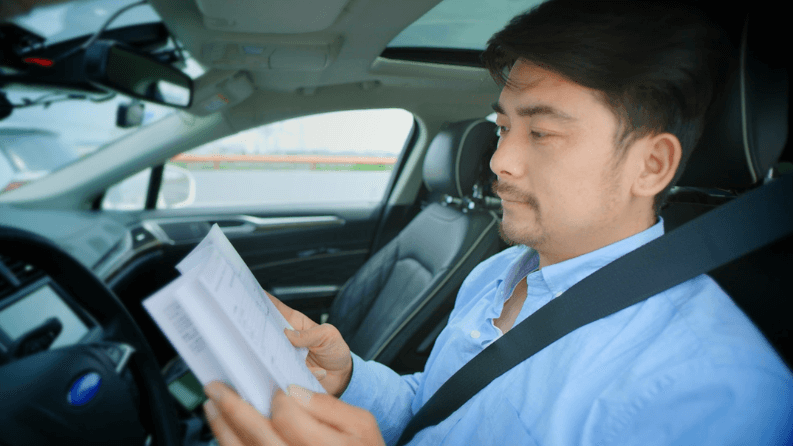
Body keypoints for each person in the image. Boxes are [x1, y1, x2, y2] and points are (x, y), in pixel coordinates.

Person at [201, 1, 793, 445]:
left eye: (543, 133)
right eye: (504, 127)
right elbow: (438, 411)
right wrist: (349, 378)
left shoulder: (713, 389)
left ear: (651, 165)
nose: (500, 160)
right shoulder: (499, 273)